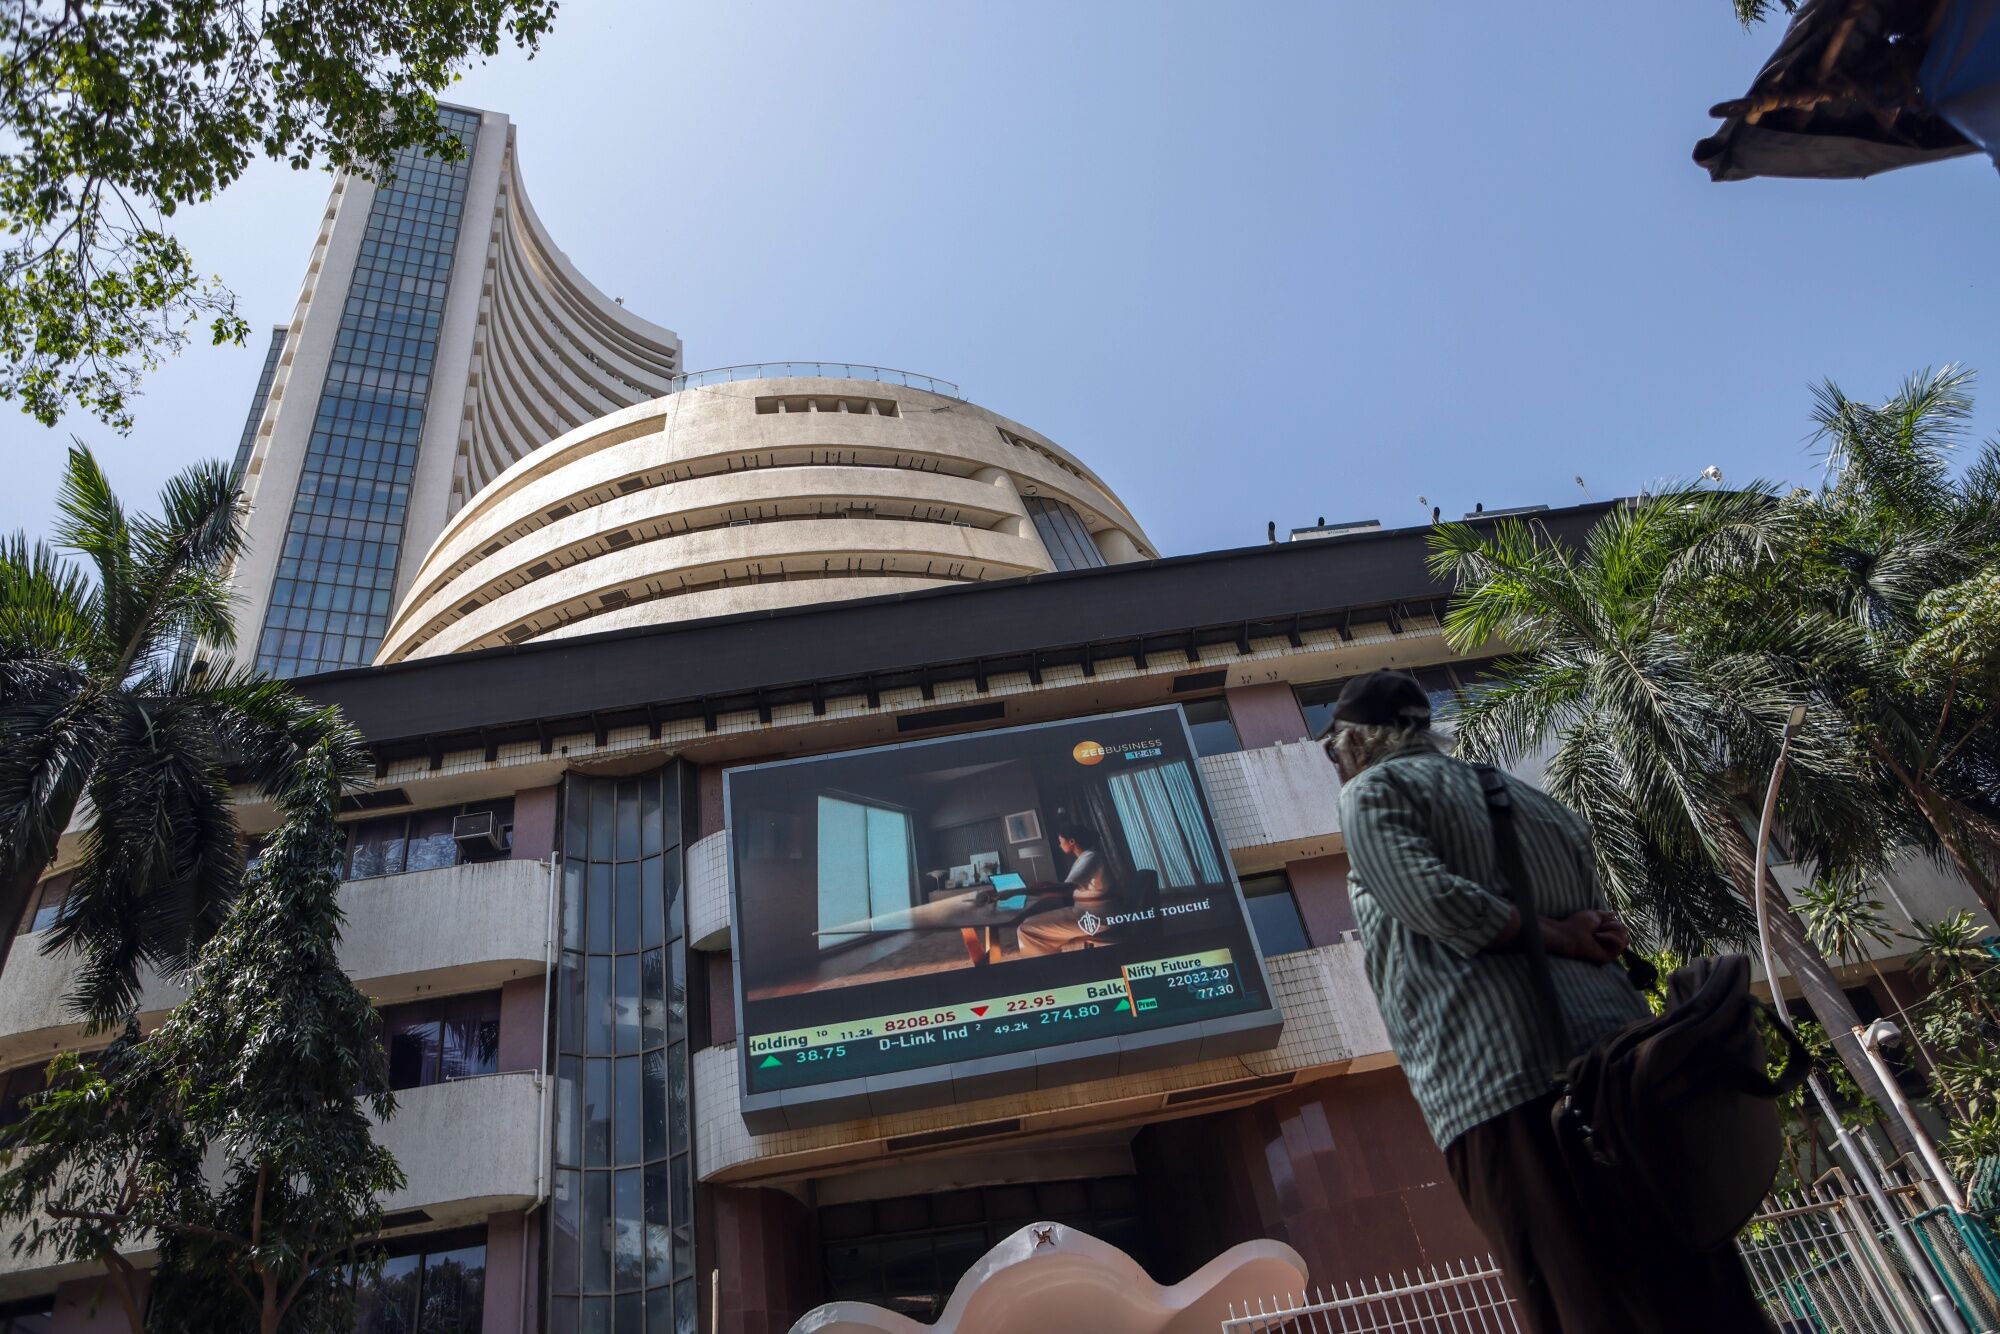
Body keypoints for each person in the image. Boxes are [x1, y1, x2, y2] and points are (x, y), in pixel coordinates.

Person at [1326, 669, 1773, 1334]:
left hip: (1502, 1085)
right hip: (1623, 1075)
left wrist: (1555, 936)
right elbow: (1603, 926)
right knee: (1696, 1292)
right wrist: (1573, 933)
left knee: (1579, 1300)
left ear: (1358, 741)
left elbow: (1433, 900)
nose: (1336, 764)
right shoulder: (1533, 801)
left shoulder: (1373, 792)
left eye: (1332, 749)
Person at [1015, 826, 1124, 956]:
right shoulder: (1084, 858)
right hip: (1081, 911)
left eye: (1061, 841)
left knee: (1025, 930)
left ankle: (1045, 964)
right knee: (1028, 921)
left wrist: (1016, 892)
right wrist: (1048, 885)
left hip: (1096, 917)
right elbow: (1075, 885)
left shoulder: (1090, 858)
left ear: (1071, 841)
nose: (1060, 845)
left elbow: (1066, 889)